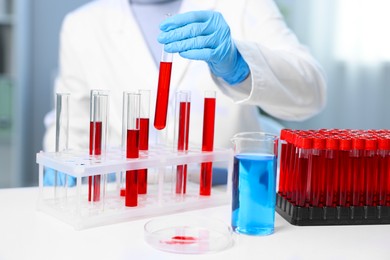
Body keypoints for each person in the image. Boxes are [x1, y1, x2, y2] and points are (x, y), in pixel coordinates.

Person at [43, 0, 326, 184]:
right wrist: (62, 165)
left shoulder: (242, 5)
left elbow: (311, 91)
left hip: (223, 200)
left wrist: (240, 65)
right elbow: (71, 126)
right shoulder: (81, 25)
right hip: (127, 203)